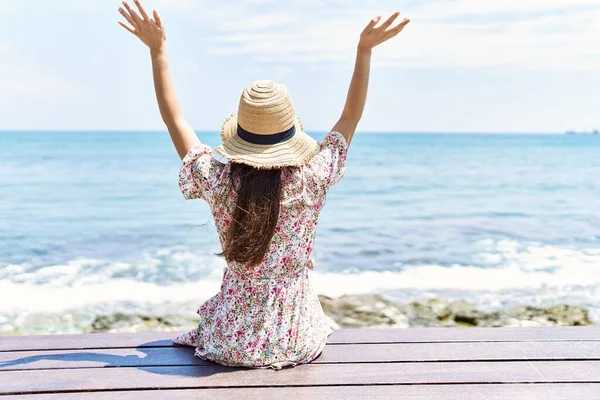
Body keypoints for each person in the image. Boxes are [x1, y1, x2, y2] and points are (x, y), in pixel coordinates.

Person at [118, 0, 410, 370]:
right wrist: (364, 50)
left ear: (241, 134)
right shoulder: (313, 176)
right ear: (290, 134)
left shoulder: (216, 178)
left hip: (229, 339)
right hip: (295, 337)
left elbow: (172, 117)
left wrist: (157, 50)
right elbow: (350, 115)